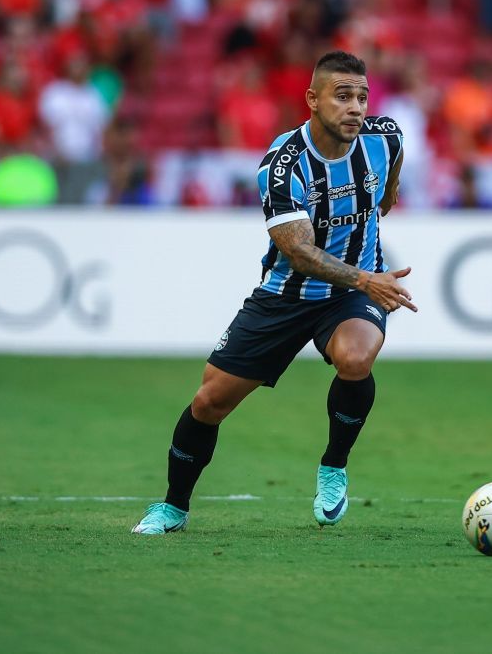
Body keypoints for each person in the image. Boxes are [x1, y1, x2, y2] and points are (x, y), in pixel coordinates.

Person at [133, 51, 415, 535]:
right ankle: (173, 506)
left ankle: (333, 466)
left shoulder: (383, 139)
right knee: (208, 403)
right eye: (342, 96)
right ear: (312, 100)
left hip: (347, 297)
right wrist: (368, 279)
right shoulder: (283, 165)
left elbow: (394, 161)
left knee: (356, 358)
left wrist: (386, 194)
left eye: (362, 97)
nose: (356, 107)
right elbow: (300, 253)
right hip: (286, 294)